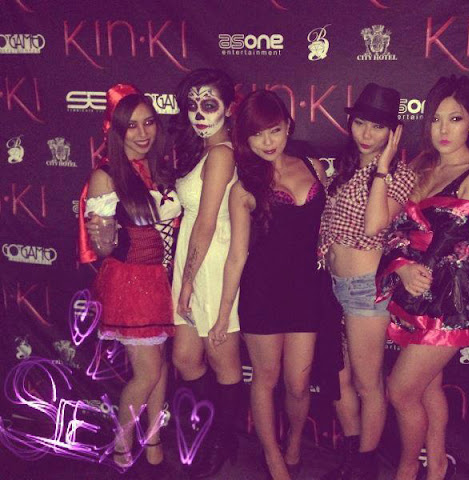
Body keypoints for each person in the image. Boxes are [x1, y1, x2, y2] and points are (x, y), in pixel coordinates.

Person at [376, 75, 469, 480]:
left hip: (448, 298)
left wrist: (411, 264)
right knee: (427, 387)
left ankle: (408, 468)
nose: (444, 129)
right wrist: (401, 265)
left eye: (455, 118)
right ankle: (438, 465)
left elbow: (448, 239)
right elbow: (391, 227)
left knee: (400, 390)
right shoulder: (420, 165)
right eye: (436, 119)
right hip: (413, 290)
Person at [217, 89, 337, 480]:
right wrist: (223, 314)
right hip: (262, 292)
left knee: (299, 383)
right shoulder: (243, 188)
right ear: (245, 138)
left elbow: (328, 229)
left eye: (274, 130)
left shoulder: (313, 166)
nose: (267, 142)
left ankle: (295, 442)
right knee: (266, 379)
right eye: (256, 134)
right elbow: (237, 256)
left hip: (306, 291)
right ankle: (272, 456)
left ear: (288, 126)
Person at [79, 84, 180, 471]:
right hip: (131, 282)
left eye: (149, 123)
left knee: (162, 367)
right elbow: (104, 249)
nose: (142, 133)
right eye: (132, 126)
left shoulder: (159, 169)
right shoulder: (106, 176)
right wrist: (104, 232)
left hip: (161, 279)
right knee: (148, 373)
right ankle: (121, 446)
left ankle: (152, 440)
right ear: (116, 132)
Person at [318, 83, 416, 480]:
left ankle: (365, 465)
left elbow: (376, 224)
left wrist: (383, 165)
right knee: (337, 377)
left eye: (377, 127)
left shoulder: (401, 175)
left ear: (393, 133)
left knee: (367, 382)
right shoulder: (343, 169)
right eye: (360, 123)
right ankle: (351, 457)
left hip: (364, 288)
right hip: (330, 284)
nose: (366, 133)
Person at [170, 68, 242, 477]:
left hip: (211, 264)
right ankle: (212, 429)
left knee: (222, 359)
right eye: (192, 105)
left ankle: (222, 440)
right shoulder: (202, 150)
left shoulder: (221, 154)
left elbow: (207, 222)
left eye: (209, 104)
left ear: (228, 108)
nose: (199, 113)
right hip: (191, 259)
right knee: (185, 357)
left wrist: (187, 282)